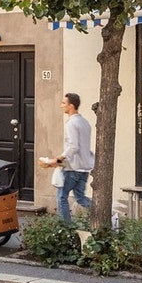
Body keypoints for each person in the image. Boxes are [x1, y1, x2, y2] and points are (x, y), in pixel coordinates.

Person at [53, 93, 95, 224]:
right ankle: (104, 214)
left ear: (71, 106)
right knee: (80, 197)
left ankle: (66, 229)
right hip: (84, 167)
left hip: (73, 167)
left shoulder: (71, 124)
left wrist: (59, 158)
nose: (61, 106)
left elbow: (74, 146)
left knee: (61, 197)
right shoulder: (85, 123)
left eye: (63, 103)